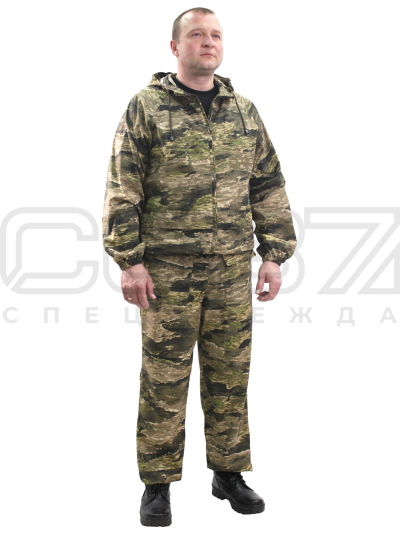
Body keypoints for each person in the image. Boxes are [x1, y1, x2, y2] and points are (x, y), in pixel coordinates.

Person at [102, 7, 297, 527]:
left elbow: (267, 184)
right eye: (196, 35)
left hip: (231, 269)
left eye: (215, 35)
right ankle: (157, 484)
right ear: (175, 47)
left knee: (230, 375)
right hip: (166, 272)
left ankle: (228, 474)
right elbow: (123, 186)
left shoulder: (244, 111)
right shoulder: (147, 107)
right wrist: (130, 261)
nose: (208, 42)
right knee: (164, 378)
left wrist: (274, 254)